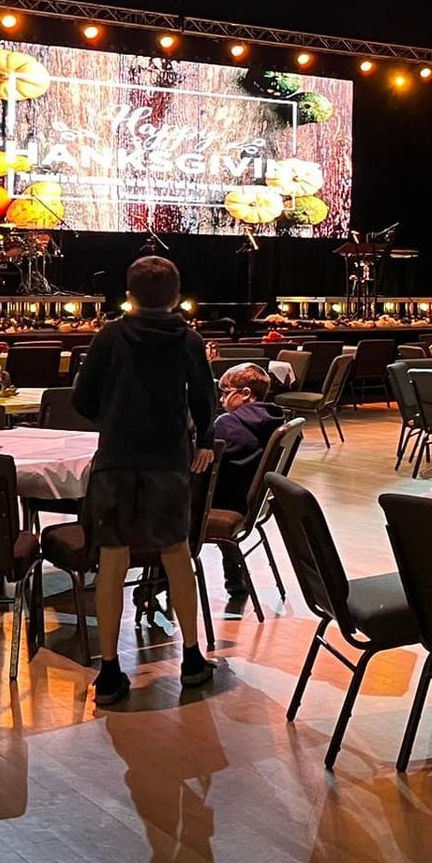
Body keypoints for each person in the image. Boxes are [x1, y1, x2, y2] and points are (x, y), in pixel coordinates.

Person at [72, 255, 217, 705]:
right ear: (176, 295)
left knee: (113, 559)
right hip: (168, 461)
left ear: (129, 294)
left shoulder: (110, 336)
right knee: (176, 553)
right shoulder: (188, 339)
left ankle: (111, 671)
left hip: (116, 461)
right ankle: (192, 659)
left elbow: (82, 398)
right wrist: (203, 437)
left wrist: (113, 420)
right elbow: (205, 398)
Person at [209, 363, 285, 596]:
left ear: (245, 394)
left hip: (224, 503)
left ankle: (158, 584)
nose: (221, 399)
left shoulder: (228, 425)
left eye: (225, 392)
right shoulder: (273, 419)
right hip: (249, 503)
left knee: (164, 507)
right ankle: (234, 577)